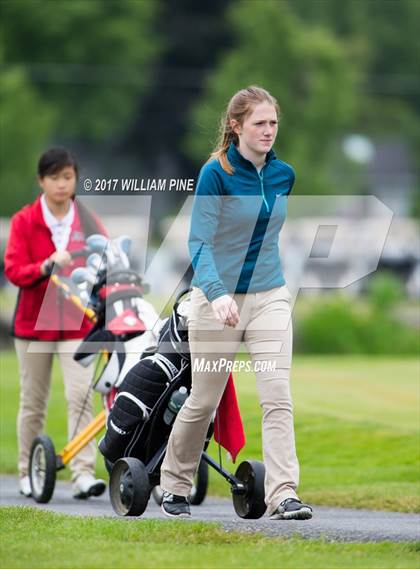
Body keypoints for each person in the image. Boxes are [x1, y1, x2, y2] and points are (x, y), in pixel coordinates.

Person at [160, 86, 313, 520]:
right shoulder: (216, 173)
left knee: (277, 394)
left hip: (270, 296)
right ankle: (173, 484)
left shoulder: (284, 174)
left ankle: (284, 494)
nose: (269, 131)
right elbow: (199, 242)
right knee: (203, 400)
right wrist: (217, 292)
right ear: (236, 126)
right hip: (216, 302)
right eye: (259, 123)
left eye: (273, 123)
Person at [4, 147, 107, 499]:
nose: (62, 184)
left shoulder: (88, 220)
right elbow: (15, 270)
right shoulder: (24, 220)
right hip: (33, 326)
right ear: (41, 181)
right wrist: (47, 265)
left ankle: (81, 473)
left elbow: (107, 261)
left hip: (77, 324)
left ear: (75, 178)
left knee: (81, 396)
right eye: (54, 177)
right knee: (33, 402)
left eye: (68, 177)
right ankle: (27, 471)